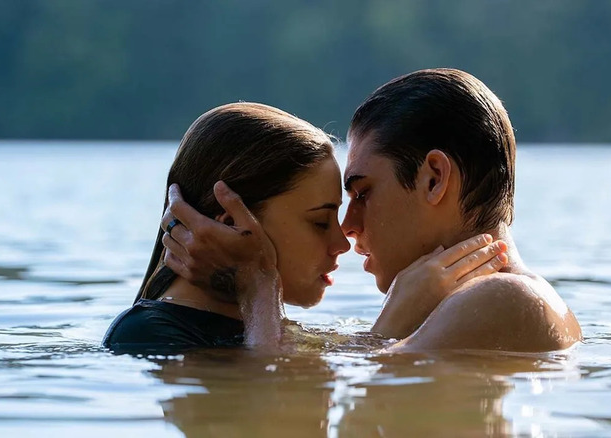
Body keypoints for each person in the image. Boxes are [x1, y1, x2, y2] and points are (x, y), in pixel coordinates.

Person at [160, 68, 582, 353]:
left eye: (362, 193)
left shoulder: (500, 299)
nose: (349, 227)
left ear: (433, 178)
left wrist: (257, 284)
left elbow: (300, 410)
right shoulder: (473, 302)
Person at [104, 101, 506, 353]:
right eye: (318, 222)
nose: (342, 242)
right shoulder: (147, 335)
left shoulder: (262, 330)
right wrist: (257, 280)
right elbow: (277, 405)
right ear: (231, 224)